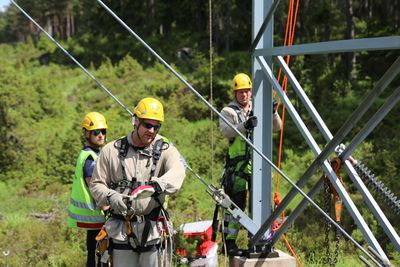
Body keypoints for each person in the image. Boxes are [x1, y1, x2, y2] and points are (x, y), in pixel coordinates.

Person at [90, 97, 186, 267]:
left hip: (152, 232)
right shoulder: (111, 151)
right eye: (147, 125)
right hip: (120, 231)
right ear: (135, 121)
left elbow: (178, 172)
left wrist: (157, 185)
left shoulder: (165, 150)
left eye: (156, 127)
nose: (152, 131)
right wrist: (111, 196)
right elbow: (96, 185)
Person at [219, 73, 282, 256]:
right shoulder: (228, 111)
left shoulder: (259, 107)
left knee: (261, 204)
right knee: (236, 205)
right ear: (235, 93)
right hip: (238, 166)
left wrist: (273, 112)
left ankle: (258, 240)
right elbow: (226, 131)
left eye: (246, 91)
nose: (244, 95)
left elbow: (277, 127)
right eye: (240, 92)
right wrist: (244, 126)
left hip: (258, 165)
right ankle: (229, 243)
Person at [67, 112, 109, 267]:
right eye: (96, 132)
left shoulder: (92, 153)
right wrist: (107, 207)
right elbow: (94, 186)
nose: (101, 135)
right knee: (98, 258)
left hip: (95, 218)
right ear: (86, 133)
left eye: (103, 131)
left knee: (95, 255)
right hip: (97, 216)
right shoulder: (90, 158)